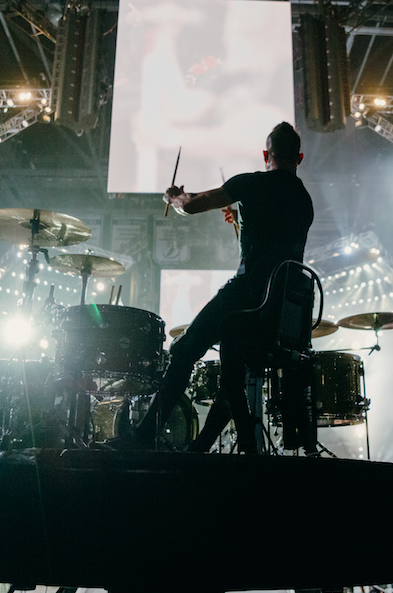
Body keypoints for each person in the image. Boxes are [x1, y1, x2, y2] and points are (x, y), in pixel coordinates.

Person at [129, 122, 313, 454]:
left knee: (184, 351)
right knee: (232, 369)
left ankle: (141, 439)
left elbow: (193, 205)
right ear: (299, 157)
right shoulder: (304, 200)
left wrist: (174, 197)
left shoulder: (251, 183)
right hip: (282, 312)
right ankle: (204, 447)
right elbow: (273, 243)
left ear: (265, 154)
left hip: (247, 299)